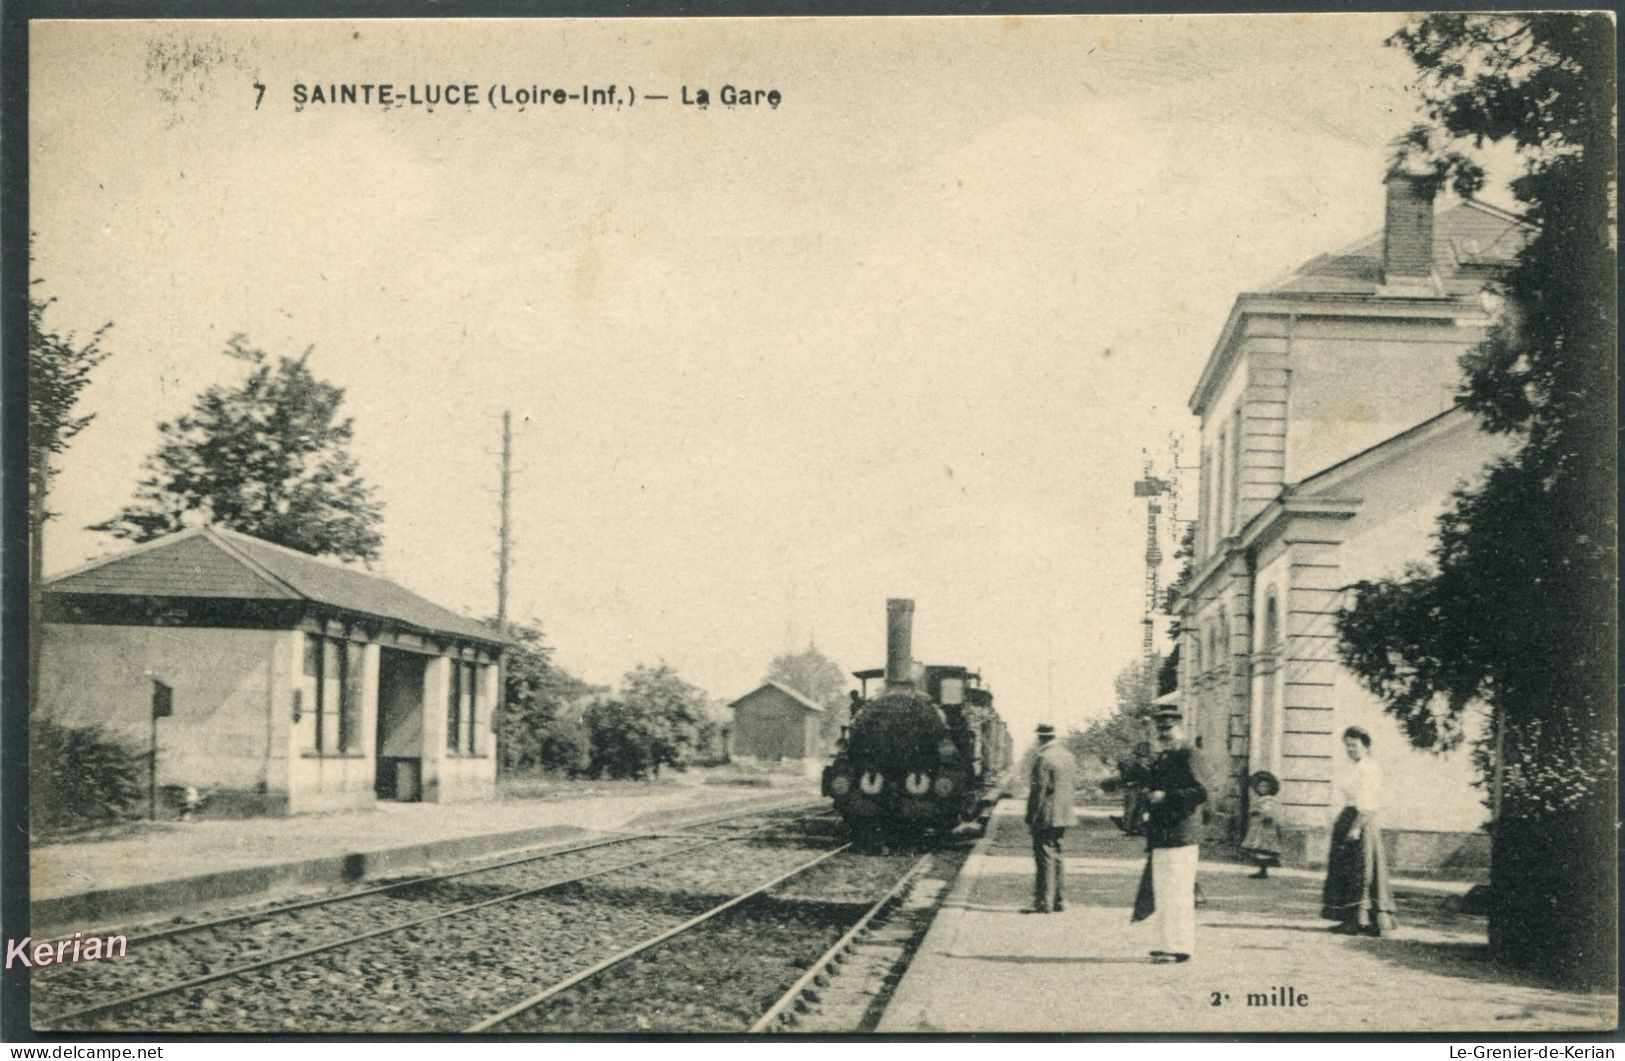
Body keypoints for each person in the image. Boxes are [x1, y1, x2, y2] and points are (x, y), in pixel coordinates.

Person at [1130, 705, 1207, 962]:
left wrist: (1166, 796)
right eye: (1160, 729)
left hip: (1181, 833)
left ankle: (1181, 948)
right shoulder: (1164, 757)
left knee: (1179, 892)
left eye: (1168, 728)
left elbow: (1202, 791)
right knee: (1164, 892)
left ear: (1180, 728)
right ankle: (1167, 944)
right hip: (1162, 835)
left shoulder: (1190, 754)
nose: (1164, 734)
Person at [1321, 726, 1396, 936]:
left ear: (1365, 745)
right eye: (1347, 745)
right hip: (1349, 817)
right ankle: (1351, 919)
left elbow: (1369, 804)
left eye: (1354, 745)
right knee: (1346, 870)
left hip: (1361, 822)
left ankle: (1362, 921)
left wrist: (1355, 827)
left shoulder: (1369, 768)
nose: (1350, 749)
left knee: (1361, 871)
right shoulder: (1354, 767)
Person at [1023, 722, 1076, 914]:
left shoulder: (1043, 757)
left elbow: (1039, 791)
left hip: (1046, 815)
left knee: (1044, 858)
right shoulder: (1068, 756)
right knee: (1058, 856)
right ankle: (1060, 901)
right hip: (1063, 815)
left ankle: (1043, 903)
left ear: (1040, 737)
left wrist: (1031, 817)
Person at [1241, 770, 1284, 879]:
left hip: (1265, 828)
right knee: (1259, 848)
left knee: (1263, 848)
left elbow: (1269, 813)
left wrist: (1259, 812)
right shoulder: (1259, 799)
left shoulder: (1268, 800)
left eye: (1265, 786)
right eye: (1260, 786)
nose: (1262, 788)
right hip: (1258, 827)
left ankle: (1263, 870)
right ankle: (1262, 869)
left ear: (1270, 787)